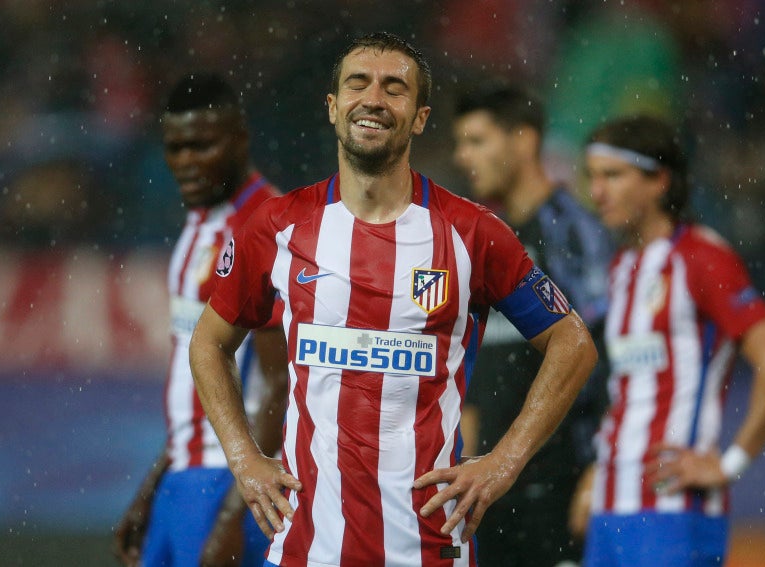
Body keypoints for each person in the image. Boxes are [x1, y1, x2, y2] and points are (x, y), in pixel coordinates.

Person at [188, 32, 598, 567]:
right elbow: (208, 343)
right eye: (357, 84)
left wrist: (504, 461)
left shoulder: (472, 233)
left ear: (421, 117)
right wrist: (243, 459)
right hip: (307, 548)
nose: (374, 99)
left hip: (427, 548)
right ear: (334, 109)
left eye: (394, 88)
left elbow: (573, 343)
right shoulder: (277, 227)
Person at [572, 115, 765, 566]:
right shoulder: (621, 267)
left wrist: (729, 464)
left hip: (673, 508)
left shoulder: (702, 258)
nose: (596, 191)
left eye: (613, 175)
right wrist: (597, 473)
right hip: (610, 505)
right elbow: (627, 386)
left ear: (659, 180)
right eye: (592, 177)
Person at [113, 72, 288, 567]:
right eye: (176, 147)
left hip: (227, 479)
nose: (186, 162)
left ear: (240, 138)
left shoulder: (268, 226)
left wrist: (236, 512)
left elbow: (283, 383)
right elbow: (193, 386)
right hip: (183, 478)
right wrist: (152, 489)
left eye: (202, 146)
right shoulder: (200, 222)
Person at [451, 80, 614, 567]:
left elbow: (604, 350)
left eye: (477, 141)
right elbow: (488, 362)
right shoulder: (492, 239)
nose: (462, 156)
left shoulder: (571, 232)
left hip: (560, 478)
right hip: (495, 485)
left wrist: (599, 467)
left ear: (523, 141)